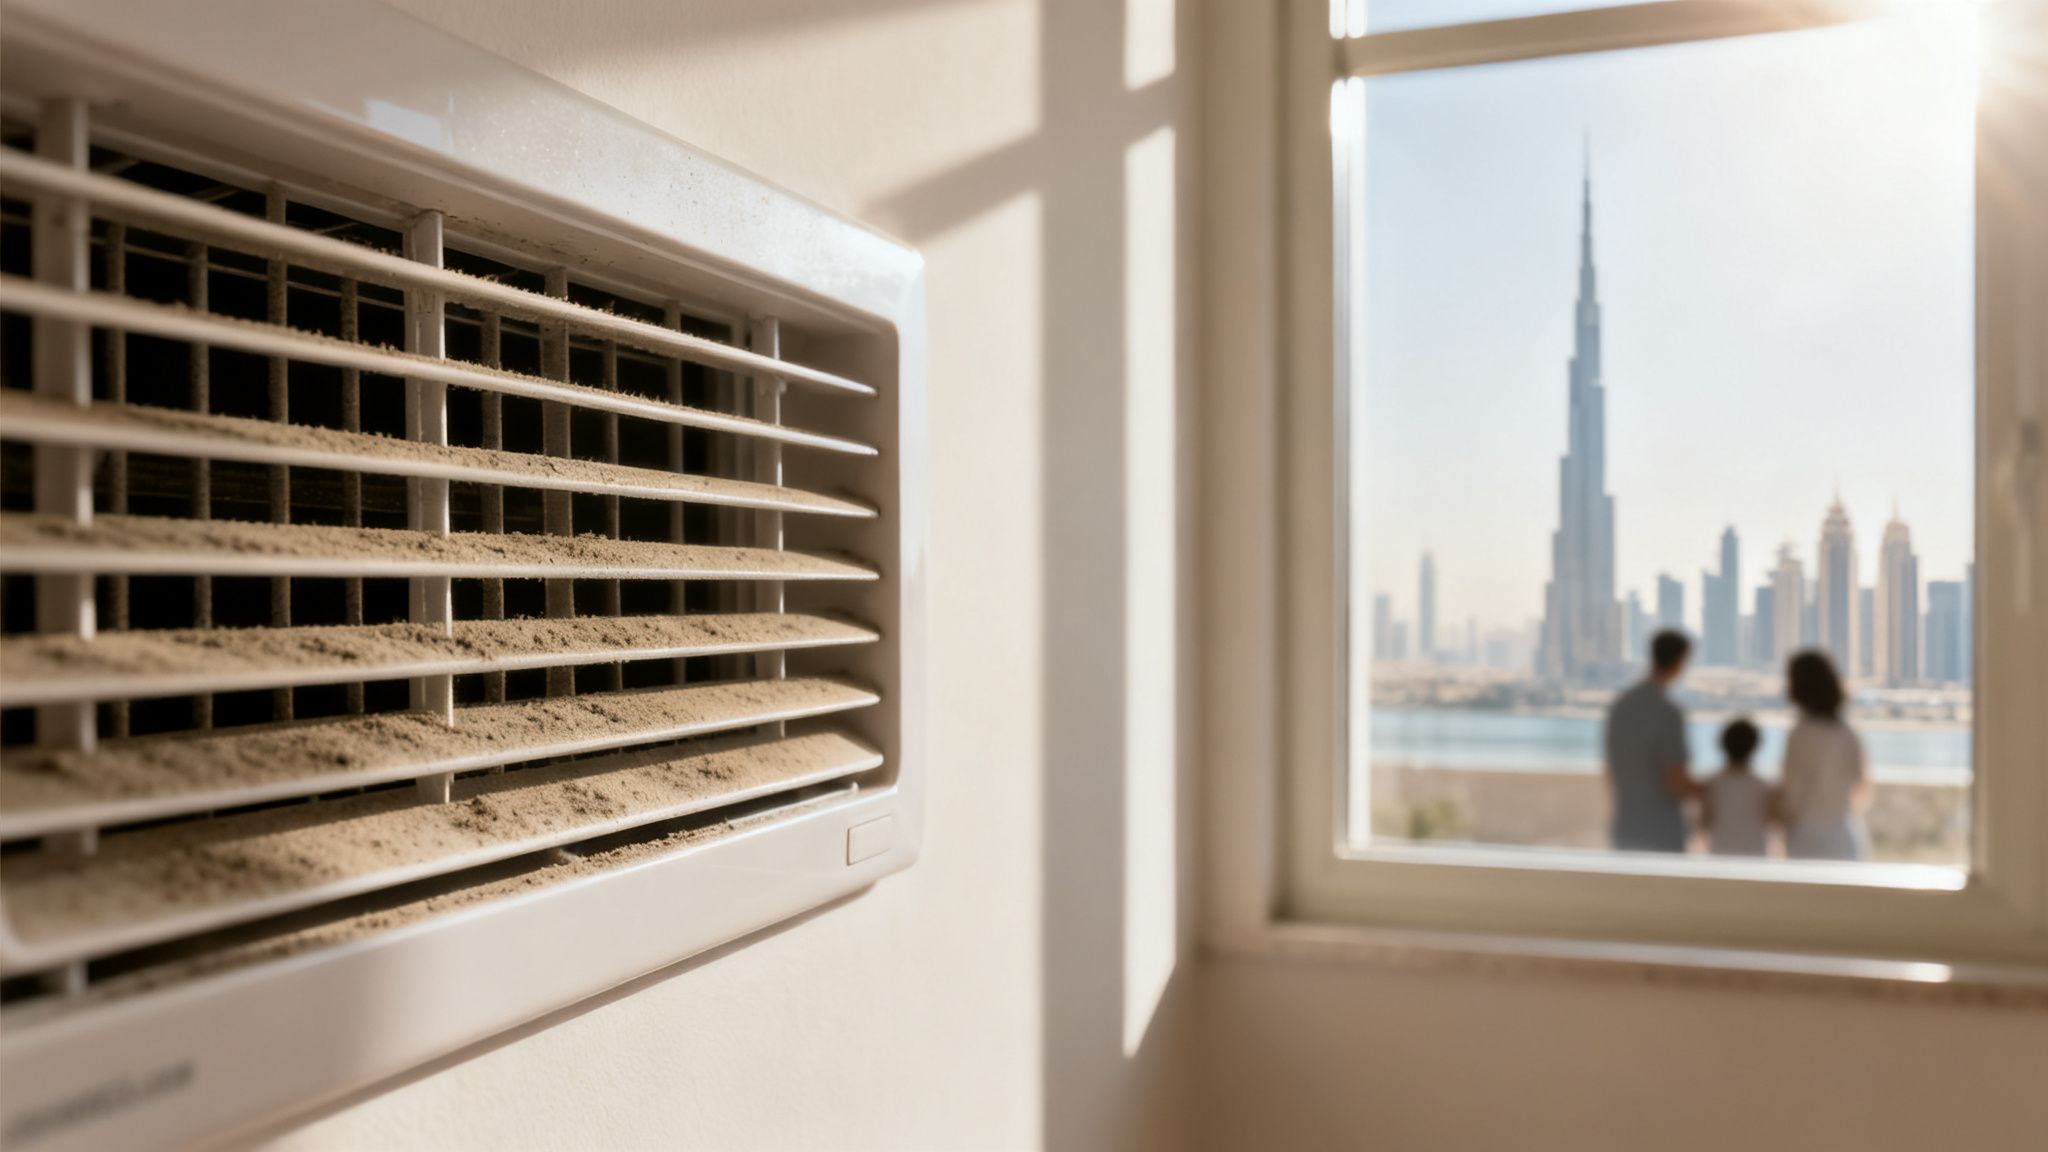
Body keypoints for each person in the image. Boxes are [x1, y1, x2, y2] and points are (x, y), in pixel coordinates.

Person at [1604, 630, 1696, 852]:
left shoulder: (1620, 706)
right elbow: (1675, 779)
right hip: (1661, 832)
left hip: (1625, 825)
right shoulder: (1668, 712)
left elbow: (1610, 767)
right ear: (1680, 661)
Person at [1777, 650, 1870, 861]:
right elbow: (1859, 785)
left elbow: (1791, 795)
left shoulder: (1800, 734)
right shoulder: (1847, 732)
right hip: (1844, 835)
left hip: (1805, 838)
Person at [1700, 718, 1769, 856]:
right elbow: (1770, 820)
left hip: (1721, 852)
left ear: (1722, 744)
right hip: (1755, 854)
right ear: (1755, 747)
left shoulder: (1712, 783)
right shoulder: (1763, 786)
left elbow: (1704, 822)